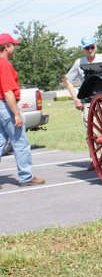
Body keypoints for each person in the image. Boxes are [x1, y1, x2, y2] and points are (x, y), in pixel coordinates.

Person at [0, 33, 45, 187]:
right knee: (20, 142)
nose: (15, 48)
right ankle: (26, 177)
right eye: (13, 45)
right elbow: (7, 92)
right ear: (7, 47)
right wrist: (16, 114)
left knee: (0, 142)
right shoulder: (4, 64)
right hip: (5, 106)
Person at [63, 37, 102, 171]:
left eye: (92, 47)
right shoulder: (79, 62)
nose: (90, 50)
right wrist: (76, 98)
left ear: (95, 46)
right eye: (87, 48)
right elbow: (67, 80)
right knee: (92, 131)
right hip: (89, 101)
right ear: (83, 49)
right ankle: (95, 159)